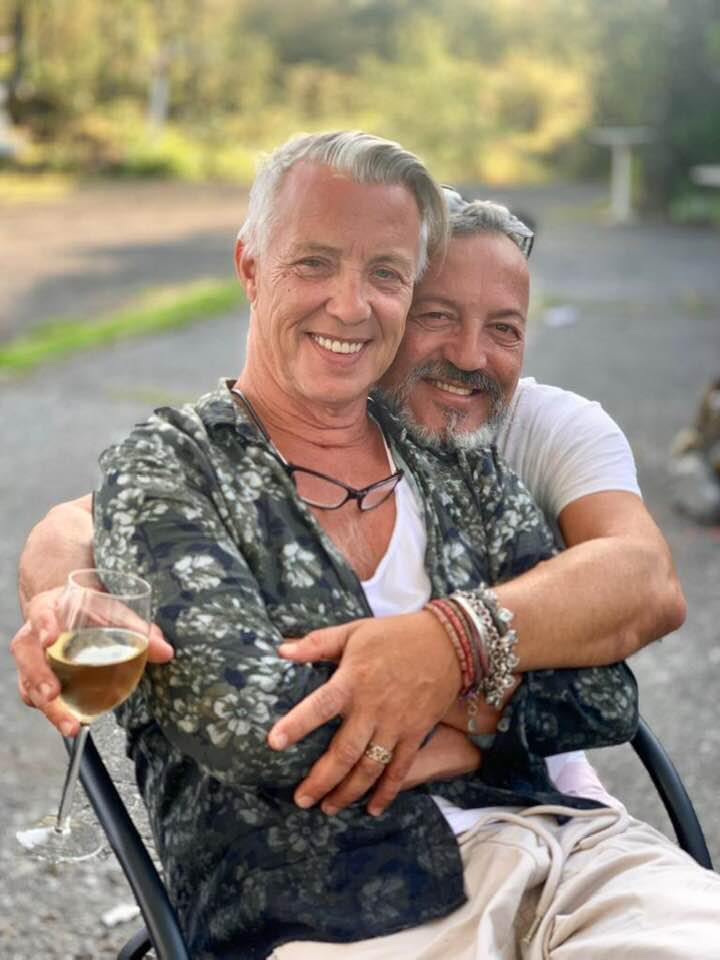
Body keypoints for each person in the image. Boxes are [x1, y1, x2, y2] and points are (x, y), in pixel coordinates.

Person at [10, 132, 717, 958]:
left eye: (384, 273)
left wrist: (443, 655)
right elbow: (254, 726)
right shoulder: (174, 466)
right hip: (339, 910)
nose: (350, 306)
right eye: (315, 263)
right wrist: (491, 705)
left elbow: (603, 695)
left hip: (570, 854)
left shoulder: (453, 454)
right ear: (250, 267)